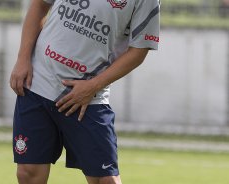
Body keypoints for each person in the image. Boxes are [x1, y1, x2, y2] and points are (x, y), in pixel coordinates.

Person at [10, 0, 160, 183]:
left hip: (86, 97)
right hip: (38, 83)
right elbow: (40, 4)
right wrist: (23, 58)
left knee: (106, 180)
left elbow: (139, 50)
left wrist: (93, 86)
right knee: (28, 174)